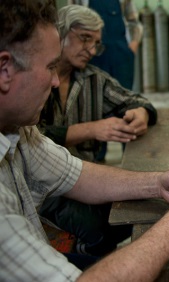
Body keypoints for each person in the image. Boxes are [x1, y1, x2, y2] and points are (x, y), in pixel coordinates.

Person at [0, 0, 169, 280]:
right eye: (49, 67)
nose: (55, 81)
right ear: (5, 70)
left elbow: (75, 173)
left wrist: (158, 182)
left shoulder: (17, 131)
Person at [36, 4, 156, 257]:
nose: (91, 50)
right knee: (98, 228)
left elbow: (137, 101)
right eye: (85, 39)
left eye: (96, 43)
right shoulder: (35, 78)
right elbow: (30, 137)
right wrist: (90, 130)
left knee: (135, 212)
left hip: (87, 178)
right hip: (44, 188)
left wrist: (141, 113)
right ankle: (81, 259)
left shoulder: (93, 79)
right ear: (61, 33)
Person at [69, 0, 143, 162]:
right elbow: (71, 18)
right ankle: (97, 157)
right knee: (93, 101)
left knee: (124, 103)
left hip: (120, 54)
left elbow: (133, 22)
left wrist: (132, 48)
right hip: (94, 53)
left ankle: (128, 154)